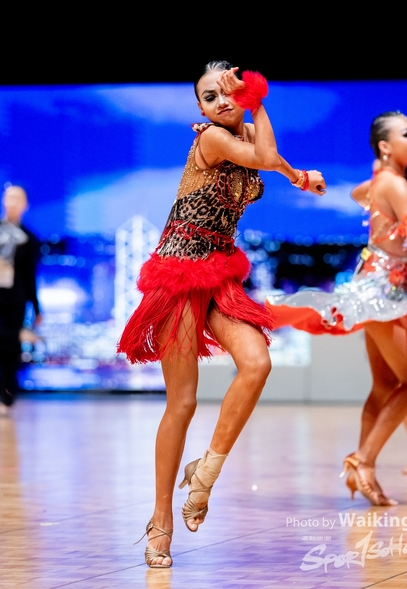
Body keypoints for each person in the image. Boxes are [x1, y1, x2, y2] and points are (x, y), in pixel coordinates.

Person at [117, 61, 326, 568]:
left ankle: (204, 475)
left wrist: (299, 177)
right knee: (183, 403)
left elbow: (272, 159)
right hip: (178, 275)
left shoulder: (245, 132)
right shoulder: (212, 138)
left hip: (217, 274)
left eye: (227, 92)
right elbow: (264, 157)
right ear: (201, 109)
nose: (220, 102)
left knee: (257, 362)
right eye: (209, 97)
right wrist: (257, 102)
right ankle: (161, 519)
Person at [266, 111, 407, 505]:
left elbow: (360, 195)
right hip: (383, 296)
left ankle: (362, 471)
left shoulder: (385, 182)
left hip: (376, 289)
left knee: (385, 386)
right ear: (385, 146)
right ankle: (363, 460)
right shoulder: (395, 184)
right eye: (406, 134)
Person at [352, 163, 407, 475]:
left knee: (402, 381)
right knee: (397, 381)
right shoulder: (389, 196)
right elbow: (358, 193)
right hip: (390, 295)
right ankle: (369, 461)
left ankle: (366, 462)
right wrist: (382, 175)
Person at [0, 185, 42, 415]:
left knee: (10, 347)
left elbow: (30, 276)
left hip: (14, 300)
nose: (13, 202)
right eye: (9, 197)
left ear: (25, 205)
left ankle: (7, 394)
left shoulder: (28, 239)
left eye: (18, 198)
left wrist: (36, 307)